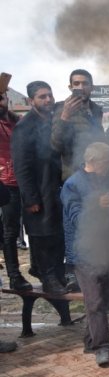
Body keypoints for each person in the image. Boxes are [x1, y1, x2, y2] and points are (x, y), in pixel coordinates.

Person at [61, 142, 109, 367]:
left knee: (102, 298)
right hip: (84, 252)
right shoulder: (72, 185)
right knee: (94, 300)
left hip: (105, 249)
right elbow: (77, 218)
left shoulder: (108, 180)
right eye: (106, 163)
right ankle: (102, 347)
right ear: (93, 162)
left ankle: (89, 339)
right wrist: (96, 204)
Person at [11, 81, 68, 295]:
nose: (47, 100)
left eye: (49, 95)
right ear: (31, 100)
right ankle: (47, 276)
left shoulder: (55, 122)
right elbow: (21, 166)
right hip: (38, 191)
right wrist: (31, 198)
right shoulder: (24, 127)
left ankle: (57, 274)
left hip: (56, 189)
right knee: (41, 235)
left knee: (57, 235)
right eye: (42, 97)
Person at [0, 89, 32, 290]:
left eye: (0, 99)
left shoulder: (18, 122)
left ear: (7, 99)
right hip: (5, 184)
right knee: (10, 232)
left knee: (32, 228)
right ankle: (13, 275)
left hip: (26, 181)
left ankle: (38, 267)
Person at [51, 69, 105, 181]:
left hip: (97, 173)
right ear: (70, 88)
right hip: (75, 175)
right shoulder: (61, 108)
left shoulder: (96, 109)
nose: (81, 87)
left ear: (92, 87)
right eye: (76, 84)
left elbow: (100, 137)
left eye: (85, 83)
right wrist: (65, 116)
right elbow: (56, 146)